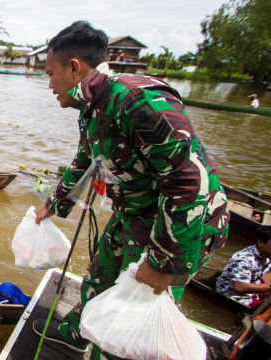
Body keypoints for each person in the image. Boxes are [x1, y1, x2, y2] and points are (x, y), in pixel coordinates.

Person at [31, 21, 230, 356]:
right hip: (136, 213)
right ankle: (82, 331)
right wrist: (53, 205)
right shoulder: (92, 108)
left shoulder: (136, 100)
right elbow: (85, 159)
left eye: (51, 73)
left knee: (132, 320)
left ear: (74, 67)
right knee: (98, 277)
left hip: (180, 226)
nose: (49, 84)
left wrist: (164, 261)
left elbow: (187, 179)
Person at [216, 226, 271, 307]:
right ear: (260, 242)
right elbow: (239, 287)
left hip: (252, 288)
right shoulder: (244, 259)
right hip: (235, 296)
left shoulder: (267, 255)